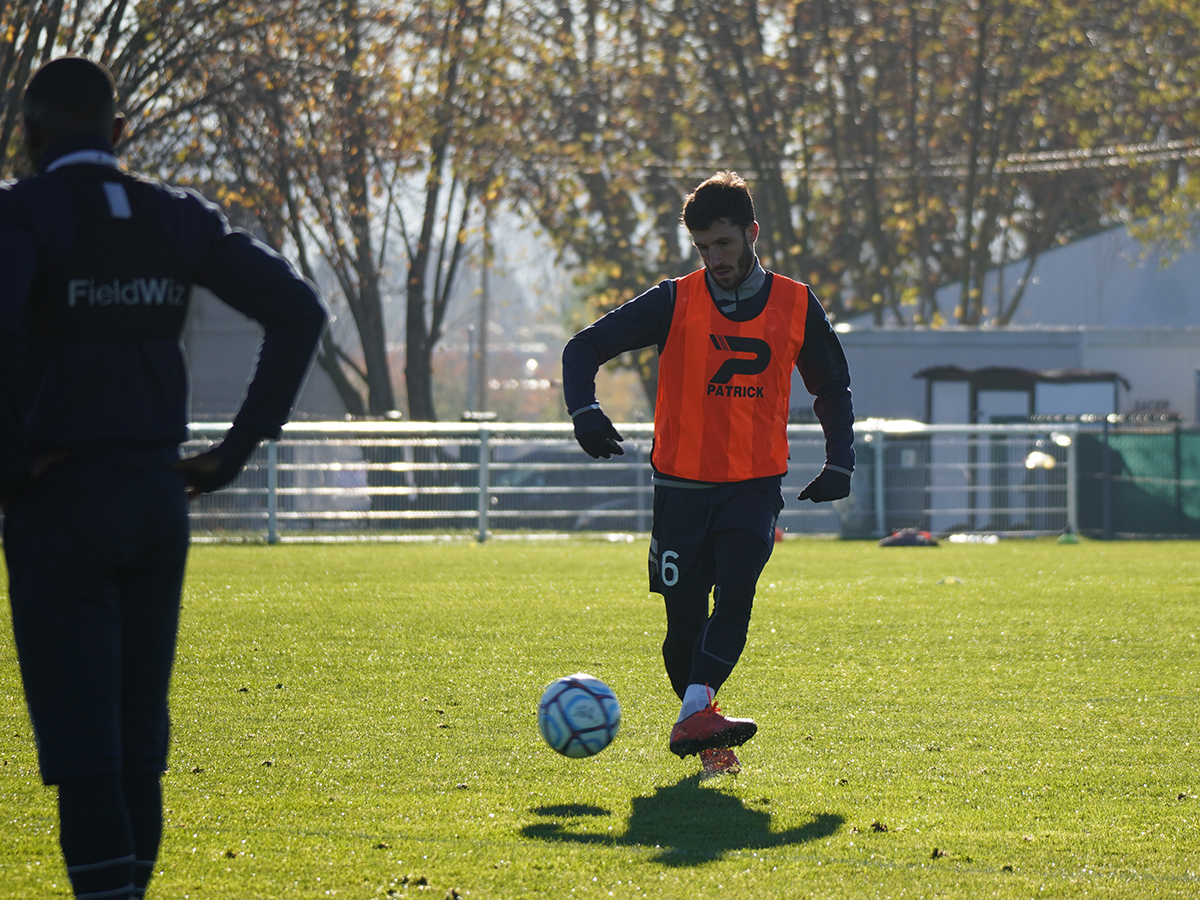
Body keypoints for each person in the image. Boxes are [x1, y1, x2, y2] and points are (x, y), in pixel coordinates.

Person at [0, 57, 326, 899]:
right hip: (157, 502)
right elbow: (299, 309)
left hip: (62, 502)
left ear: (29, 136)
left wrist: (11, 467)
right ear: (118, 135)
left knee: (85, 753)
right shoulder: (174, 216)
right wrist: (234, 452)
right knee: (137, 745)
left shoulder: (24, 213)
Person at [561, 171, 854, 778]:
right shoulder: (675, 299)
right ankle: (701, 722)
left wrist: (839, 458)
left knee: (738, 591)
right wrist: (585, 411)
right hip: (679, 489)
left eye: (722, 244)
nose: (713, 259)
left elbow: (831, 385)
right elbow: (581, 349)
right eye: (702, 248)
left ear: (750, 233)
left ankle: (696, 711)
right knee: (683, 628)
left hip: (753, 485)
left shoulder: (796, 303)